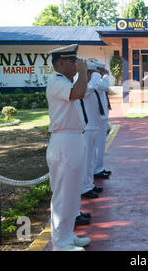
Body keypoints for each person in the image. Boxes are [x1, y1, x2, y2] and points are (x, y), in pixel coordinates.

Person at [46, 44, 91, 251]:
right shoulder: (56, 81)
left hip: (73, 139)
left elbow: (80, 90)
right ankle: (60, 243)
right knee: (63, 194)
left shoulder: (65, 81)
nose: (76, 65)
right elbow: (79, 93)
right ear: (60, 62)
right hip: (63, 141)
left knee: (72, 193)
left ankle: (68, 234)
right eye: (72, 61)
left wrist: (81, 73)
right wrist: (82, 72)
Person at [80, 62, 105, 199]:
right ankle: (84, 187)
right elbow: (88, 89)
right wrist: (96, 77)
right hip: (87, 128)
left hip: (93, 127)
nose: (95, 75)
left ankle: (89, 184)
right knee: (87, 159)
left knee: (90, 159)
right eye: (92, 73)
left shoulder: (90, 86)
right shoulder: (85, 87)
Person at [93, 61, 112, 179]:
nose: (105, 72)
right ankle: (96, 169)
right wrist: (105, 76)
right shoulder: (95, 78)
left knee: (101, 144)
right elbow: (104, 87)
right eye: (103, 70)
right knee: (98, 144)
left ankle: (99, 168)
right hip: (98, 116)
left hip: (102, 115)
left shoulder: (96, 78)